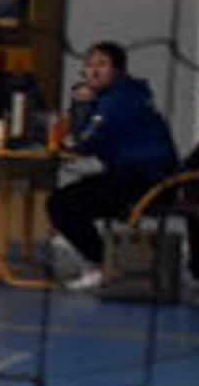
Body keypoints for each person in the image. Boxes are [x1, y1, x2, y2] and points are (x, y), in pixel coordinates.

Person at [46, 38, 179, 289]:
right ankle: (101, 261)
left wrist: (80, 107)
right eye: (89, 65)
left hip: (147, 179)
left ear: (117, 70)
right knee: (70, 199)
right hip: (132, 174)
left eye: (101, 65)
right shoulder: (117, 95)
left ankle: (102, 265)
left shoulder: (119, 99)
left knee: (62, 204)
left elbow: (86, 141)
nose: (93, 71)